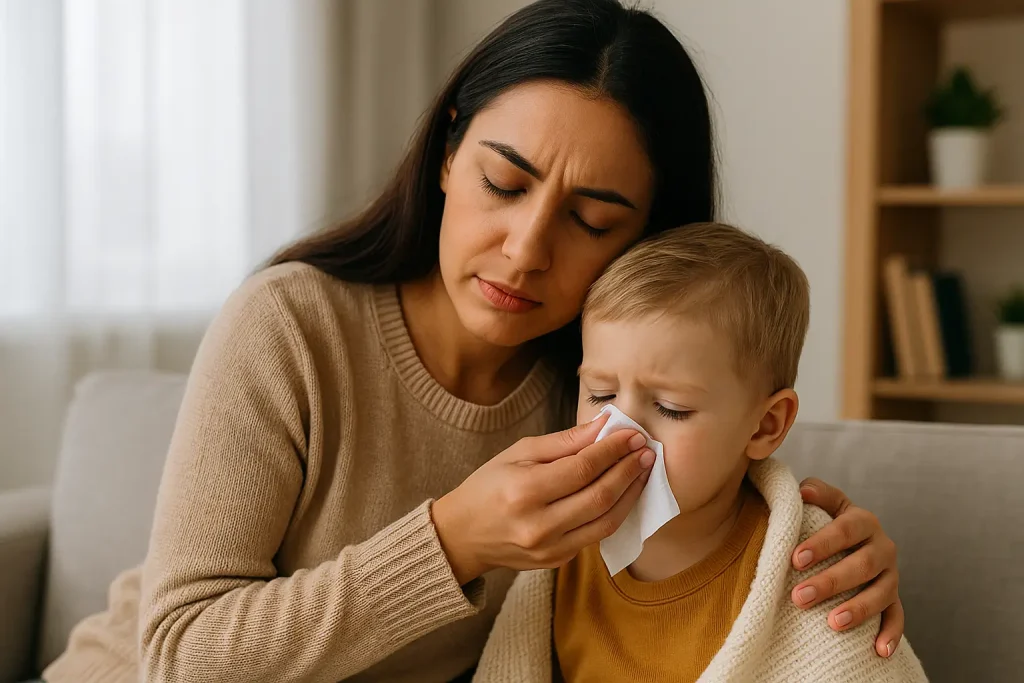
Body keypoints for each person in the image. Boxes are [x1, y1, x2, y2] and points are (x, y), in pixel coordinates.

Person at [42, 2, 906, 682]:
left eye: (590, 218)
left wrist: (827, 553)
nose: (526, 249)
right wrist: (453, 540)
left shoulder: (602, 398)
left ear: (645, 237)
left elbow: (720, 519)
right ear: (449, 152)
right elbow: (179, 656)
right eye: (503, 181)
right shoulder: (292, 325)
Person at [471, 223, 927, 682]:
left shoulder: (810, 568)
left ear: (766, 425)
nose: (619, 433)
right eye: (602, 395)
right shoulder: (562, 551)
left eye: (672, 408)